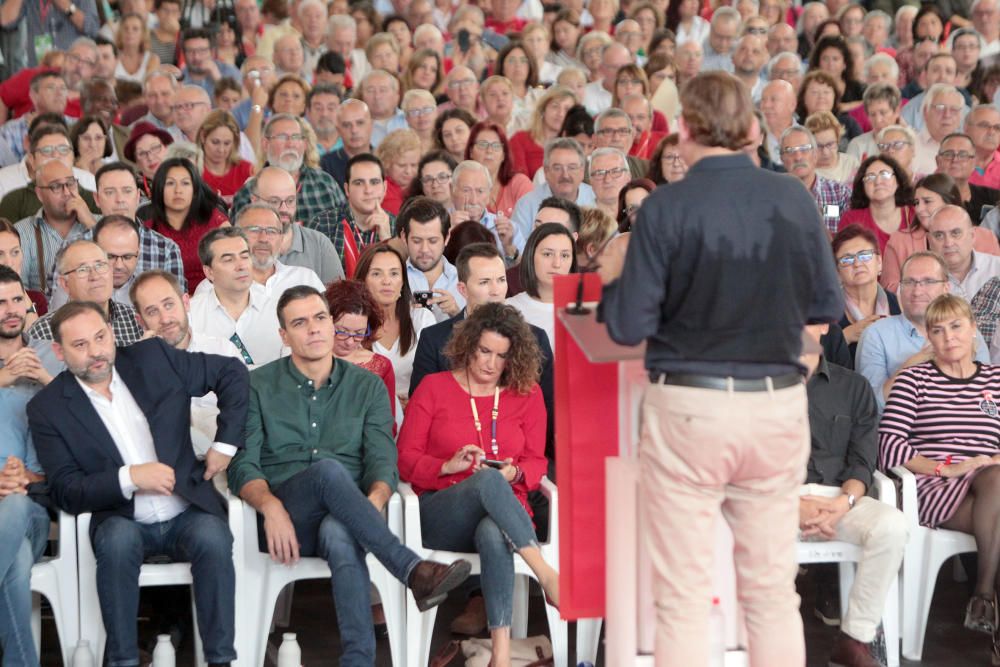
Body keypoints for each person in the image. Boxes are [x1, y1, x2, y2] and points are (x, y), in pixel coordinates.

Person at [599, 71, 843, 665]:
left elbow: (627, 326)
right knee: (770, 594)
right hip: (776, 403)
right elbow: (828, 307)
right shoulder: (792, 197)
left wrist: (612, 279)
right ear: (753, 128)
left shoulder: (667, 208)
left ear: (683, 130)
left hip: (690, 409)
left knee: (682, 596)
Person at [227, 285, 472, 665]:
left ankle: (358, 660)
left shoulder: (368, 386)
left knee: (340, 532)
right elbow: (242, 463)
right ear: (283, 335)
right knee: (327, 471)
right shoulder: (257, 385)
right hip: (284, 520)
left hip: (348, 517)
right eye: (300, 322)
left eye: (321, 318)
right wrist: (271, 507)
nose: (314, 329)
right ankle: (412, 569)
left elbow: (381, 458)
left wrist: (371, 504)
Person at [27, 301, 246, 667]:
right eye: (80, 345)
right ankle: (123, 661)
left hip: (186, 509)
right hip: (121, 517)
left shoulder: (153, 358)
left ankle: (221, 661)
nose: (95, 352)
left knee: (213, 537)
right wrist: (130, 477)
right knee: (116, 541)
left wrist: (224, 445)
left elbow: (232, 372)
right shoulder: (48, 408)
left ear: (112, 334)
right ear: (59, 352)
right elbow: (66, 489)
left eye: (100, 337)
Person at [397, 302, 559, 666]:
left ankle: (499, 654)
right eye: (485, 351)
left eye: (501, 356)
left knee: (492, 529)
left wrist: (514, 473)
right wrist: (445, 465)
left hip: (506, 514)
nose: (491, 363)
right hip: (443, 512)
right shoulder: (434, 388)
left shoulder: (527, 393)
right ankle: (545, 573)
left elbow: (537, 460)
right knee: (485, 478)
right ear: (469, 345)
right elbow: (404, 459)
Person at [879, 293, 1000, 665]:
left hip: (991, 484)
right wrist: (945, 468)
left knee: (996, 478)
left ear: (974, 329)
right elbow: (889, 446)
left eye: (956, 326)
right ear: (928, 338)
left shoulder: (997, 380)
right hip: (938, 488)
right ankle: (984, 596)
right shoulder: (914, 380)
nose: (948, 337)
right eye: (938, 329)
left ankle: (984, 597)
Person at [801, 321, 908, 667]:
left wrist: (842, 502)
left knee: (891, 525)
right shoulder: (754, 385)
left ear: (821, 326)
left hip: (840, 499)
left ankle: (855, 638)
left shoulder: (854, 387)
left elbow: (863, 462)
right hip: (775, 501)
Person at [0, 263, 56, 666]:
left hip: (34, 501)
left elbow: (96, 424)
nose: (10, 309)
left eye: (17, 299)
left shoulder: (51, 356)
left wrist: (48, 384)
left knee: (17, 505)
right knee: (15, 564)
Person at [857, 251, 990, 408]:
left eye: (928, 281)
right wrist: (913, 364)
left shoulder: (967, 333)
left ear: (946, 287)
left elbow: (986, 396)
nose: (917, 291)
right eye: (909, 282)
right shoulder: (876, 335)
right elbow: (871, 407)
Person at [232, 114, 350, 234]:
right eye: (282, 137)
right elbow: (239, 241)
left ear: (304, 144)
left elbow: (348, 228)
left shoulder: (325, 183)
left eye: (295, 137)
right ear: (265, 144)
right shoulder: (250, 190)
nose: (290, 144)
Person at [883, 173, 1000, 293]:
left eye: (927, 201)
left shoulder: (986, 237)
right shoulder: (898, 240)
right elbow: (889, 291)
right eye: (916, 203)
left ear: (949, 201)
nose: (919, 209)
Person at [188, 227, 285, 368]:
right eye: (228, 260)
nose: (241, 266)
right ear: (209, 272)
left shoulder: (278, 310)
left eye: (245, 257)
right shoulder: (191, 315)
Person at [355, 242, 437, 406]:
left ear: (402, 282)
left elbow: (436, 380)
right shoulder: (350, 325)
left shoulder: (422, 320)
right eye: (377, 274)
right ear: (362, 281)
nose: (387, 281)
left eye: (394, 273)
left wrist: (415, 403)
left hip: (416, 411)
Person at [143, 157, 229, 294]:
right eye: (170, 183)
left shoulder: (215, 220)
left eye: (185, 183)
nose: (178, 190)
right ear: (160, 189)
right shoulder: (147, 231)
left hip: (213, 299)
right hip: (168, 302)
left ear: (195, 190)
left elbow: (232, 267)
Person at [201, 204, 325, 297]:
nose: (264, 239)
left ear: (281, 239)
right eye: (254, 230)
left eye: (271, 231)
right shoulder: (212, 288)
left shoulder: (305, 279)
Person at [250, 167, 345, 285]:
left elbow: (339, 300)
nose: (284, 209)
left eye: (290, 201)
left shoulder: (319, 244)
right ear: (254, 201)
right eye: (274, 201)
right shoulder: (239, 245)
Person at [324, 278, 397, 420]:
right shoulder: (308, 361)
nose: (350, 342)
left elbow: (387, 422)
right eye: (342, 331)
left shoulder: (382, 366)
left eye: (359, 333)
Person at [831, 224, 901, 367]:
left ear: (879, 262)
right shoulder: (827, 310)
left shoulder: (900, 305)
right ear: (837, 272)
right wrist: (844, 337)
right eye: (847, 259)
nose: (857, 264)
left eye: (864, 255)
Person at [511, 138, 596, 243]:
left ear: (582, 171)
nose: (565, 175)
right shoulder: (526, 205)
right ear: (546, 172)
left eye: (572, 168)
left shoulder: (595, 198)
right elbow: (518, 251)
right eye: (557, 168)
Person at [507, 223, 577, 349]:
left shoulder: (589, 310)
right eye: (547, 254)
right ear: (531, 256)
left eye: (565, 255)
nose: (557, 264)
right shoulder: (508, 309)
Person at [397, 196, 463, 322]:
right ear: (404, 237)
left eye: (433, 241)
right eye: (417, 241)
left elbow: (477, 336)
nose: (424, 249)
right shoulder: (393, 279)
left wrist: (456, 313)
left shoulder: (463, 280)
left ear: (447, 237)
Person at [780, 126, 852, 234]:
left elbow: (851, 239)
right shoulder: (773, 196)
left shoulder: (840, 194)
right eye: (790, 151)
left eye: (804, 149)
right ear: (782, 159)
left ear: (815, 155)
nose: (798, 157)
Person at [838, 155, 916, 253]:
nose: (878, 182)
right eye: (870, 177)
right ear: (863, 186)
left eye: (884, 175)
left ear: (898, 181)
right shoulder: (851, 219)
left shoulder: (915, 214)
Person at [926, 205, 1000, 302]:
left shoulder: (997, 268)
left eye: (956, 233)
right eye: (939, 235)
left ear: (972, 236)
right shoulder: (916, 278)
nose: (948, 243)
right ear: (929, 240)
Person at [465, 122, 533, 218]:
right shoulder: (461, 186)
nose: (489, 150)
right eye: (483, 144)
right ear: (471, 151)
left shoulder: (519, 183)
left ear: (504, 154)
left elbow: (532, 224)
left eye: (496, 146)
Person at [509, 86, 577, 179]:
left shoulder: (575, 146)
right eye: (555, 106)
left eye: (567, 110)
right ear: (543, 110)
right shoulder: (519, 139)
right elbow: (519, 182)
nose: (560, 113)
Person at [935, 132, 1000, 224]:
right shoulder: (925, 198)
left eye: (963, 155)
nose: (955, 160)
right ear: (938, 161)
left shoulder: (993, 198)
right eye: (948, 154)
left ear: (974, 162)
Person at [198, 110, 255, 202]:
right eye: (215, 142)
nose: (221, 149)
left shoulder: (246, 171)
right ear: (203, 136)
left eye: (227, 143)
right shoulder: (193, 170)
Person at [320, 99, 374, 189]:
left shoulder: (385, 160)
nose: (354, 130)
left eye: (360, 123)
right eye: (346, 125)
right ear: (338, 130)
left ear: (371, 125)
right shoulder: (325, 165)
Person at [806, 110, 860, 187]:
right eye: (819, 146)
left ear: (838, 140)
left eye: (830, 144)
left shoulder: (851, 163)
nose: (825, 152)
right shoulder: (808, 172)